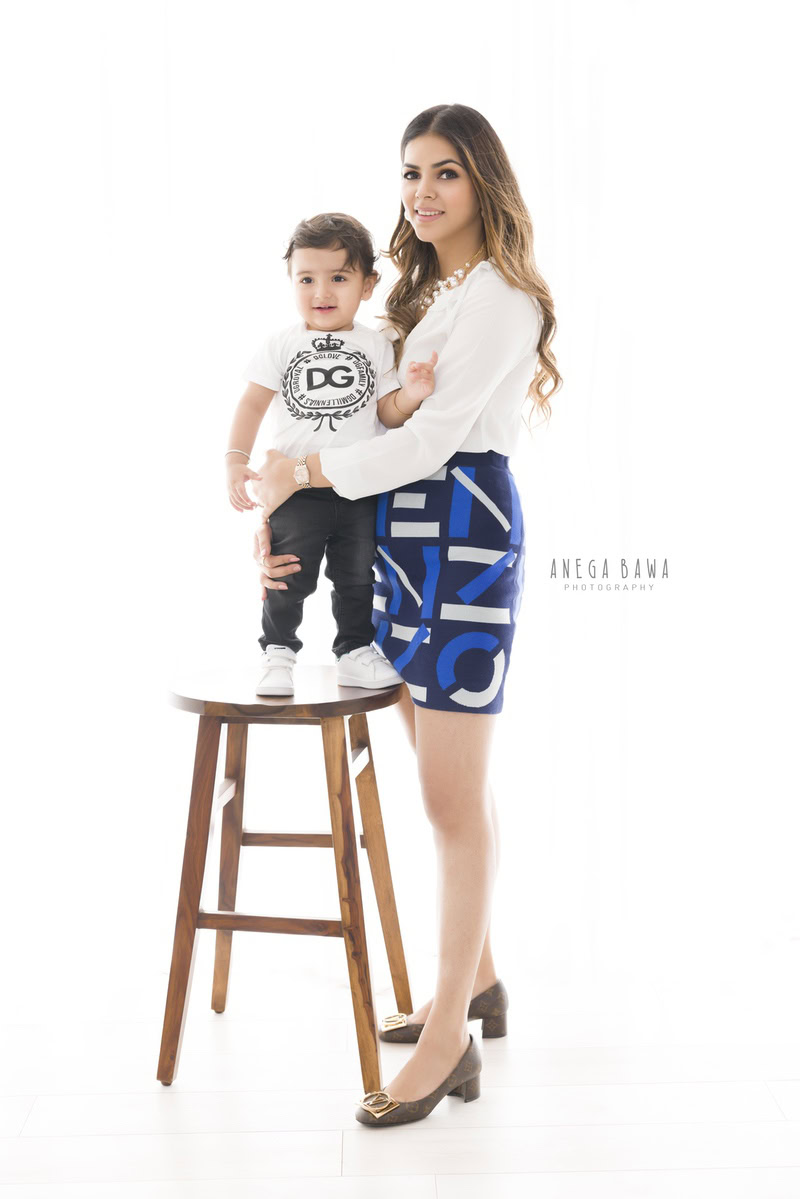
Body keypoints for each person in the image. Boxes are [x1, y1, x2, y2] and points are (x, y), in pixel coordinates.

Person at [251, 104, 561, 1126]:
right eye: (409, 174)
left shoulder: (501, 295)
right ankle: (472, 981)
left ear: (483, 182)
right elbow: (356, 411)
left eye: (444, 174)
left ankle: (448, 1039)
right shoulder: (434, 291)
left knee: (445, 793)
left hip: (460, 532)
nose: (422, 193)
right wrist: (286, 494)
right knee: (433, 754)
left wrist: (309, 465)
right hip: (394, 530)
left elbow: (429, 441)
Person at [227, 213, 439, 695]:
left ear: (367, 285)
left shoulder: (377, 344)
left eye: (339, 278)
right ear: (291, 282)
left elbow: (387, 413)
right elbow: (252, 402)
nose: (321, 291)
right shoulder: (282, 344)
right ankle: (277, 652)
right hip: (295, 489)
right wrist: (235, 459)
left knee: (356, 573)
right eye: (307, 279)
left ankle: (353, 650)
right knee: (288, 572)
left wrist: (412, 394)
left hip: (355, 483)